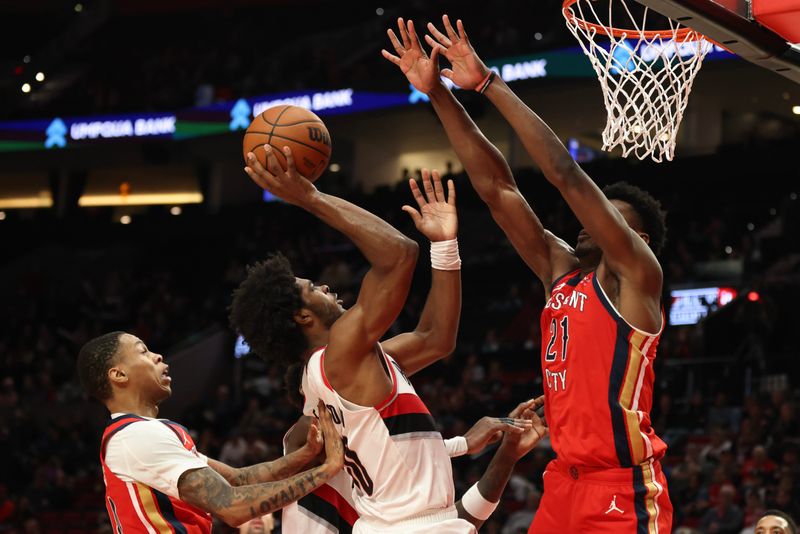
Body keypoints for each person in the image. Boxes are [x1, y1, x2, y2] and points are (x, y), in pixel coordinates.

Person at [383, 15, 671, 532]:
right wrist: (439, 95)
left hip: (621, 488)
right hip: (562, 481)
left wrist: (488, 84)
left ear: (638, 241)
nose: (588, 221)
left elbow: (566, 176)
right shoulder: (560, 270)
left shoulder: (634, 278)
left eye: (607, 215)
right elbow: (498, 189)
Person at [235, 149, 530, 533]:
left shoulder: (323, 379)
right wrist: (310, 196)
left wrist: (444, 246)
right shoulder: (339, 356)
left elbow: (435, 339)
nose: (325, 287)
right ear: (302, 318)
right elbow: (398, 254)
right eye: (313, 288)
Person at [76, 331, 344, 531]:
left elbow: (240, 479)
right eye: (143, 351)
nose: (158, 356)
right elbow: (232, 506)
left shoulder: (145, 433)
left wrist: (307, 454)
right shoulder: (136, 436)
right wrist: (326, 469)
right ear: (118, 375)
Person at [279, 364, 548, 533]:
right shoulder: (307, 442)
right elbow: (433, 339)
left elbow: (453, 522)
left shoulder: (376, 487)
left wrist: (506, 454)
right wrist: (460, 445)